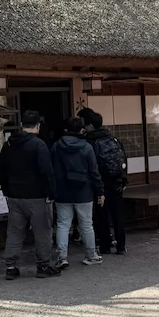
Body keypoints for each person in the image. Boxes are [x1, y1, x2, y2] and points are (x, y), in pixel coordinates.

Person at [0, 109, 59, 280]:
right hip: (37, 196)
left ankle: (10, 266)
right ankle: (43, 266)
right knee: (42, 232)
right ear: (38, 126)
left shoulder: (9, 144)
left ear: (22, 125)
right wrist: (51, 193)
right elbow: (47, 172)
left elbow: (1, 169)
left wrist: (6, 190)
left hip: (15, 196)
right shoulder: (39, 145)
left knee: (15, 232)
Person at [51, 115, 104, 269]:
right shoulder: (87, 147)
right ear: (81, 129)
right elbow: (94, 172)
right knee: (87, 224)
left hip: (62, 192)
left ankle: (62, 256)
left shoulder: (56, 147)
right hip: (83, 191)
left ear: (65, 129)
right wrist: (100, 191)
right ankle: (91, 255)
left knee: (62, 224)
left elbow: (51, 170)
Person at [81, 109, 128, 254]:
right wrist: (123, 180)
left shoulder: (89, 142)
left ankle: (105, 245)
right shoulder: (113, 138)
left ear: (89, 125)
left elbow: (91, 165)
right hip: (116, 181)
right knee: (117, 214)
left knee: (101, 215)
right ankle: (121, 246)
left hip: (100, 182)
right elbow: (123, 159)